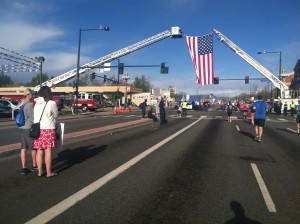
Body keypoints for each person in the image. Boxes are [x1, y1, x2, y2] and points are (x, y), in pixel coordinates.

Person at [33, 86, 59, 178]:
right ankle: (48, 172)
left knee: (39, 151)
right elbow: (56, 115)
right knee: (48, 151)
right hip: (48, 129)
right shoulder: (51, 103)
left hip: (38, 130)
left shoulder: (36, 103)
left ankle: (40, 172)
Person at [18, 88, 37, 175]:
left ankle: (24, 168)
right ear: (28, 95)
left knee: (23, 148)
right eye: (32, 94)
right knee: (33, 147)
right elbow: (32, 118)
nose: (33, 96)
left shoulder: (20, 103)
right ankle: (34, 166)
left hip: (21, 127)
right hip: (28, 128)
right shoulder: (29, 104)